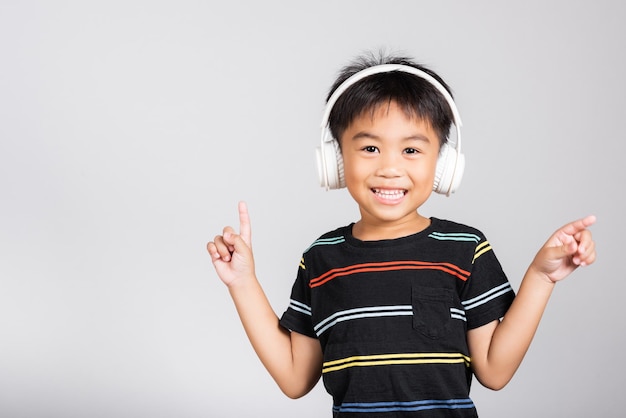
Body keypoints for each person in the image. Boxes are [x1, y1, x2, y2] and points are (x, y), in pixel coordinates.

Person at [206, 51, 597, 417]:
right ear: (336, 160)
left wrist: (541, 278)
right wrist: (242, 283)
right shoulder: (320, 259)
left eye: (411, 150)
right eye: (370, 148)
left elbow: (495, 371)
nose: (390, 168)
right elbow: (294, 379)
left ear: (443, 165)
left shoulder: (466, 250)